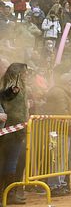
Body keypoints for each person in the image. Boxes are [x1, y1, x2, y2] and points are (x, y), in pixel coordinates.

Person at [0, 64, 28, 204]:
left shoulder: (19, 87)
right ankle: (6, 195)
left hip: (18, 129)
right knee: (9, 162)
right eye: (24, 72)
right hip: (10, 129)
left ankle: (10, 194)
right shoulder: (9, 86)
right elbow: (6, 99)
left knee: (15, 161)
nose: (26, 75)